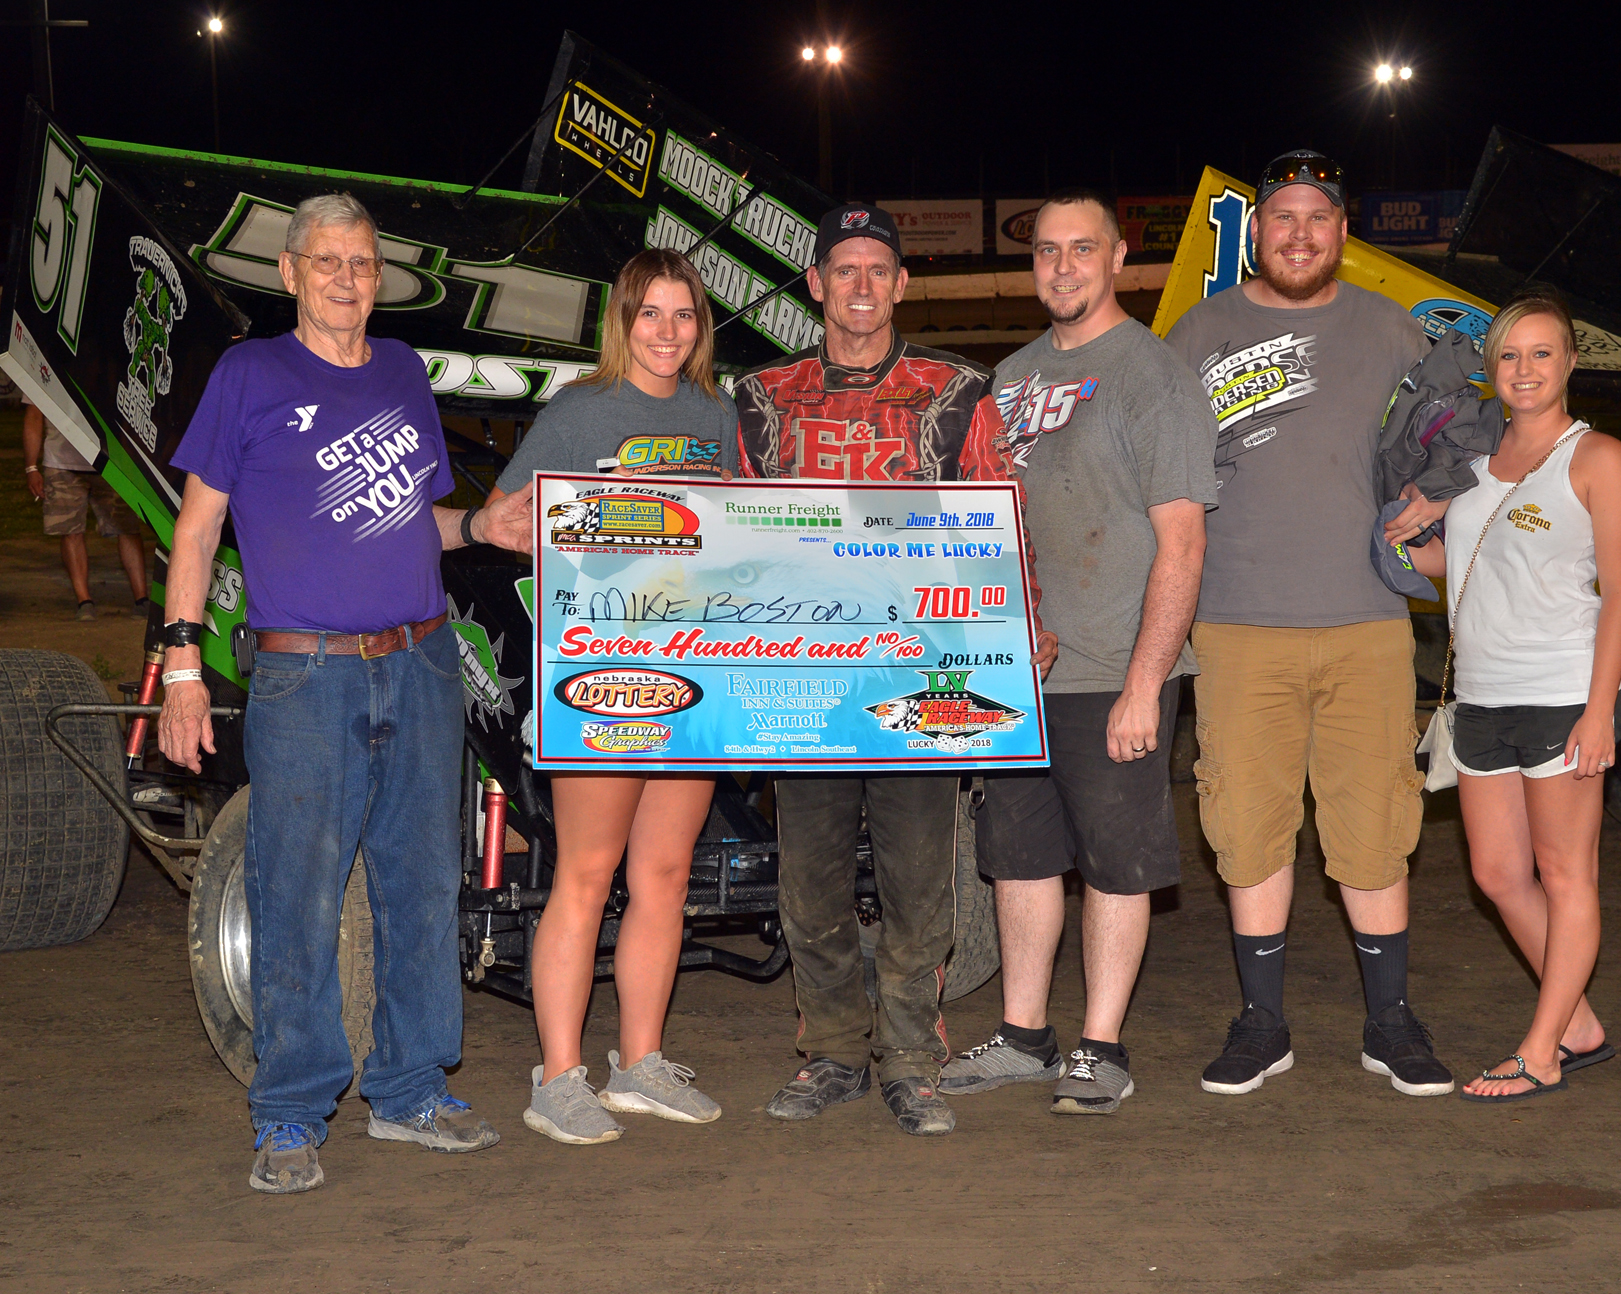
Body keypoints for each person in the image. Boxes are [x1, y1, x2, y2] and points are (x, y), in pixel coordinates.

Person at [158, 192, 532, 1194]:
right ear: (289, 273)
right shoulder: (249, 373)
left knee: (419, 886)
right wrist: (183, 663)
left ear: (380, 275)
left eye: (361, 263)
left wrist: (481, 531)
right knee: (298, 892)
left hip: (419, 662)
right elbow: (196, 530)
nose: (346, 279)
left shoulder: (405, 373)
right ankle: (289, 1112)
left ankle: (411, 1094)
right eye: (326, 262)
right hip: (306, 671)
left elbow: (422, 522)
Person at [735, 202, 1056, 1137]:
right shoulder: (761, 397)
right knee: (810, 880)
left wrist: (1021, 621)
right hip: (804, 678)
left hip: (928, 672)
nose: (863, 286)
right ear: (817, 284)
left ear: (901, 284)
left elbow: (1004, 517)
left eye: (879, 269)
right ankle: (834, 1049)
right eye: (846, 270)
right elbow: (733, 542)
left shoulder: (957, 390)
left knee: (923, 880)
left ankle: (912, 1058)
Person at [1163, 151, 1456, 1098]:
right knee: (1246, 828)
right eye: (1281, 219)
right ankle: (1262, 1023)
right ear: (1257, 233)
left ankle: (1390, 1022)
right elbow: (1159, 480)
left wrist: (1434, 499)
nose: (1298, 235)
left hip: (1368, 623)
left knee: (1375, 829)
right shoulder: (1200, 331)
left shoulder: (1390, 331)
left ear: (1342, 231)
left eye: (1316, 219)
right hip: (1240, 624)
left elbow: (1451, 444)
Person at [941, 189, 1213, 1115]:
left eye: (1081, 249)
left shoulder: (1154, 376)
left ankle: (1101, 1045)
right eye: (1047, 251)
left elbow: (1182, 542)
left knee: (1114, 864)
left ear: (1119, 259)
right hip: (1019, 672)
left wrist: (1146, 684)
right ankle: (1025, 1036)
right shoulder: (1008, 378)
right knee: (1018, 858)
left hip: (1112, 669)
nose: (1062, 266)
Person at [485, 249, 738, 1144]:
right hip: (600, 673)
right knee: (586, 875)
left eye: (683, 316)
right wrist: (586, 549)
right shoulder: (580, 410)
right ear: (622, 321)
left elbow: (742, 528)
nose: (667, 333)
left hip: (698, 671)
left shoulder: (717, 412)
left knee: (664, 877)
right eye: (650, 315)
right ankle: (557, 1076)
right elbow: (503, 518)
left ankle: (640, 1064)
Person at [1407, 291, 1621, 1101]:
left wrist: (1600, 709)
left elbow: (1620, 595)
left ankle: (1542, 1049)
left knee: (1566, 874)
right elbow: (1462, 561)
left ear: (1571, 362)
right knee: (1499, 874)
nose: (1525, 369)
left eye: (1542, 353)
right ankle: (1576, 1022)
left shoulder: (1597, 458)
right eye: (1510, 355)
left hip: (1560, 692)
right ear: (1492, 369)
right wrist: (1402, 541)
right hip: (1479, 696)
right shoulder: (1474, 457)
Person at [21, 396, 149, 618]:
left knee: (127, 528)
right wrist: (31, 467)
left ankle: (142, 599)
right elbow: (34, 414)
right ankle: (84, 601)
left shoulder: (106, 360)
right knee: (70, 531)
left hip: (111, 460)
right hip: (61, 462)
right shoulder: (43, 360)